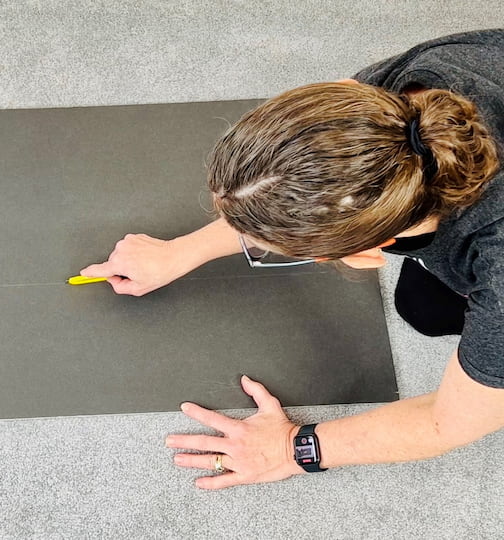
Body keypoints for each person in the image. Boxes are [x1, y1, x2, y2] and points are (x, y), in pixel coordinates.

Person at [81, 29, 504, 489]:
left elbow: (448, 422)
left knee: (438, 316)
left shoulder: (496, 276)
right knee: (422, 308)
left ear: (361, 254)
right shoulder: (406, 92)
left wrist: (290, 448)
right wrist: (182, 251)